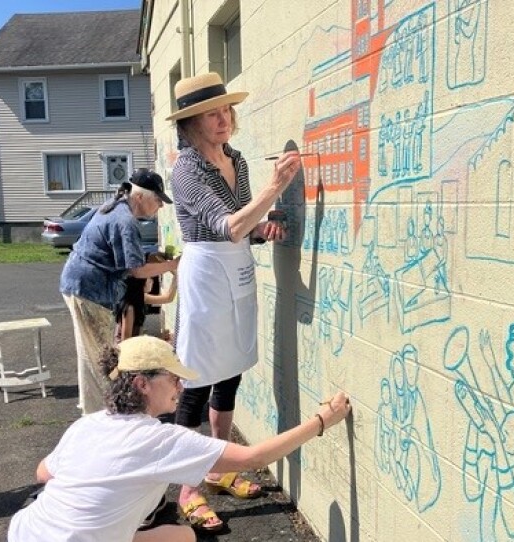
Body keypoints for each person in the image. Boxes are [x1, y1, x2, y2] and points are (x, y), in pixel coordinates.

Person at [7, 335, 352, 542]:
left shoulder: (89, 424)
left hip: (26, 532)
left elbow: (43, 473)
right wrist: (324, 420)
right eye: (173, 379)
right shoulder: (159, 440)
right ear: (142, 384)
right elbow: (255, 459)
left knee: (183, 535)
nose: (180, 387)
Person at [166, 71, 302, 530]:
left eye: (226, 109)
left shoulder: (237, 160)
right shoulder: (186, 169)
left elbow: (246, 225)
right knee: (197, 381)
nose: (222, 118)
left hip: (238, 270)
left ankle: (219, 469)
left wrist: (265, 227)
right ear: (190, 123)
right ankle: (188, 488)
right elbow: (226, 226)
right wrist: (275, 187)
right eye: (211, 112)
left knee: (231, 372)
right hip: (206, 278)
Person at [60, 169, 179, 415]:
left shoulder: (114, 208)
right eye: (157, 200)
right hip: (89, 291)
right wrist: (173, 265)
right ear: (140, 197)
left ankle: (96, 411)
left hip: (81, 285)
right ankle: (100, 416)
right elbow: (136, 270)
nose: (159, 207)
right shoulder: (125, 221)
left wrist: (154, 259)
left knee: (93, 353)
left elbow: (121, 257)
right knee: (99, 357)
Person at [115, 251, 178, 342]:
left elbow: (168, 298)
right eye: (149, 279)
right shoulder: (129, 308)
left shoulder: (140, 297)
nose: (152, 281)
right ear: (140, 283)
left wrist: (175, 275)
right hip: (126, 353)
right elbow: (126, 342)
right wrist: (158, 340)